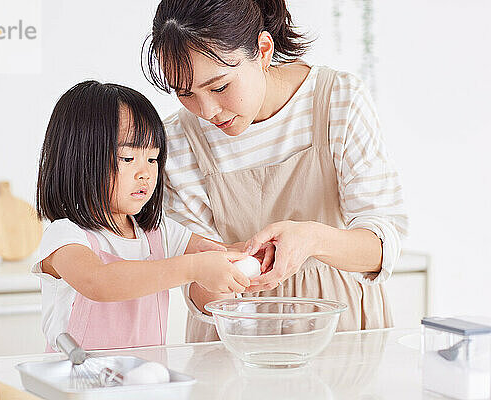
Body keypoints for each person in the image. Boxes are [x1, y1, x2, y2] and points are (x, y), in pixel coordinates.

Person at [143, 0, 408, 341]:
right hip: (234, 342)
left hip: (341, 333)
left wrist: (310, 239)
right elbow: (197, 291)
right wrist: (218, 275)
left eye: (219, 86)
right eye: (185, 93)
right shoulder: (179, 140)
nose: (206, 110)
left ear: (263, 50)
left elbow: (382, 250)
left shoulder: (338, 101)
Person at [33, 80, 250, 351]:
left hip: (145, 381)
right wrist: (194, 267)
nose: (145, 173)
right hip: (77, 385)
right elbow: (99, 282)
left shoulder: (159, 232)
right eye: (127, 158)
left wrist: (248, 255)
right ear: (79, 158)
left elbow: (218, 252)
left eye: (152, 159)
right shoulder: (66, 235)